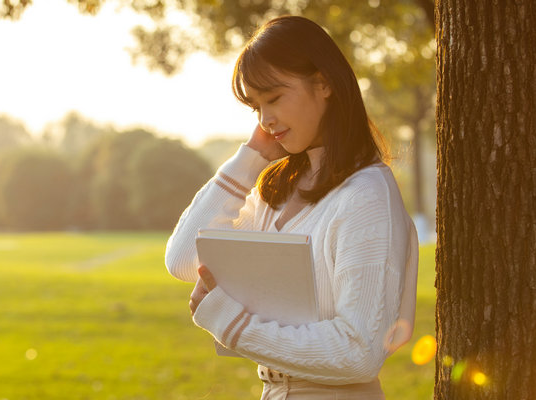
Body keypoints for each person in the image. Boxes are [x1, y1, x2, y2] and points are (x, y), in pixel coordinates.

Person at [165, 15, 418, 400]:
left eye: (274, 98)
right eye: (256, 108)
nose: (266, 120)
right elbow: (183, 260)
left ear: (324, 83)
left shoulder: (366, 195)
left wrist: (233, 325)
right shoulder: (276, 192)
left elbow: (360, 352)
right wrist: (250, 158)